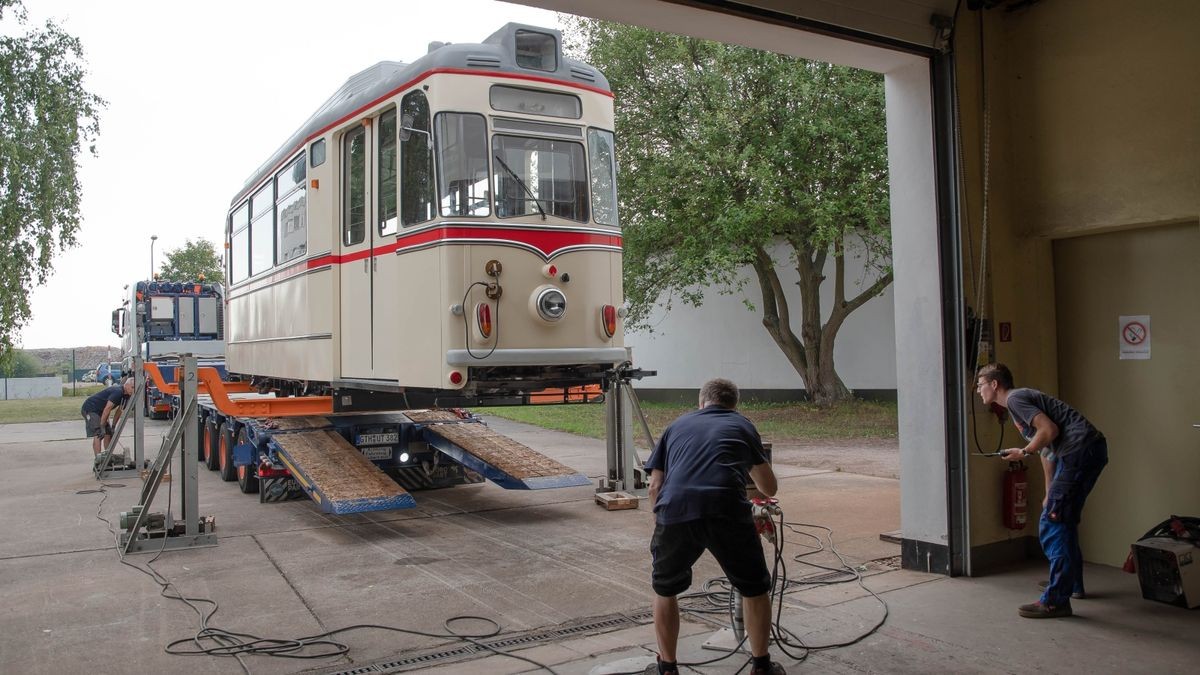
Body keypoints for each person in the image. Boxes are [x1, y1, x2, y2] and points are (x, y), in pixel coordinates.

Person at [643, 378, 784, 675]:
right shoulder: (742, 425)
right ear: (734, 404)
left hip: (676, 511)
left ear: (701, 402)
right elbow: (768, 487)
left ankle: (667, 668)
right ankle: (761, 667)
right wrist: (745, 488)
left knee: (665, 589)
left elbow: (655, 485)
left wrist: (662, 521)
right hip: (726, 510)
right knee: (754, 588)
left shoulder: (676, 426)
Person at [976, 363, 1108, 619]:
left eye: (980, 384)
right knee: (1059, 516)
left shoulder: (1014, 399)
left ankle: (1056, 600)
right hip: (1081, 452)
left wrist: (1024, 451)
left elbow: (1049, 430)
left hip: (1080, 452)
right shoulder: (1017, 407)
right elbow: (1047, 449)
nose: (978, 390)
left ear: (994, 384)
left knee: (1054, 523)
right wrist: (1049, 492)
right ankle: (1070, 586)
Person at [81, 377, 134, 465]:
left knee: (108, 433)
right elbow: (107, 409)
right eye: (132, 387)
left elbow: (119, 411)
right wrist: (102, 426)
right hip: (91, 408)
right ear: (126, 385)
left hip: (101, 411)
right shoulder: (118, 392)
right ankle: (98, 461)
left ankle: (107, 458)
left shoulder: (126, 396)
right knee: (99, 433)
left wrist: (113, 427)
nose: (133, 390)